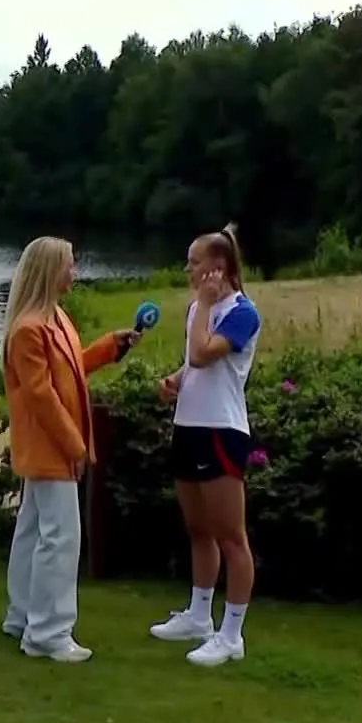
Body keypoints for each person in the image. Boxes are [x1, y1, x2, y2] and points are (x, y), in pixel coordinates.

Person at [1, 235, 141, 663]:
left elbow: (69, 368)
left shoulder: (53, 319)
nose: (74, 272)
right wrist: (76, 446)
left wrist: (110, 348)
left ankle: (23, 615)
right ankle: (48, 632)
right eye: (69, 265)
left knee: (33, 533)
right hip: (50, 450)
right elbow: (43, 397)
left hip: (50, 448)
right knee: (61, 538)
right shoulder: (28, 330)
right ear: (49, 271)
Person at [149, 223, 263, 667]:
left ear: (218, 268)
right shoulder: (202, 310)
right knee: (198, 529)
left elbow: (203, 354)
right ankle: (199, 616)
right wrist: (176, 381)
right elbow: (193, 365)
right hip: (189, 426)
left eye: (194, 262)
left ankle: (231, 633)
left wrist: (202, 306)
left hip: (221, 431)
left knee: (231, 536)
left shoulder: (240, 313)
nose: (188, 270)